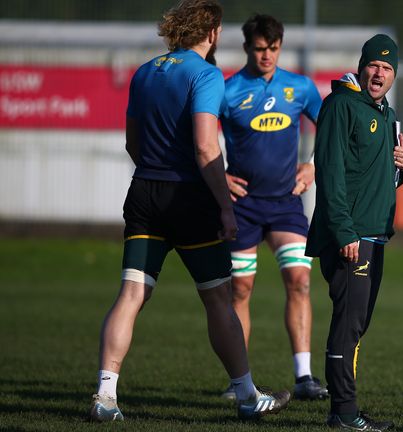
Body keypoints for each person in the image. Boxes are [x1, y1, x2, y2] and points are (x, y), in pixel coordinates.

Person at [88, 0, 290, 422]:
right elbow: (204, 146)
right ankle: (247, 396)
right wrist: (225, 206)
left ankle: (105, 396)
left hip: (144, 191)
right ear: (212, 32)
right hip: (188, 198)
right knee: (218, 299)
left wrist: (154, 170)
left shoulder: (144, 72)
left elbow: (132, 143)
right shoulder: (205, 74)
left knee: (130, 295)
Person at [306, 34, 403, 431]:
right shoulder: (339, 105)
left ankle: (342, 410)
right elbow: (329, 173)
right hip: (351, 237)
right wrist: (344, 231)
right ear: (361, 65)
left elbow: (381, 178)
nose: (379, 73)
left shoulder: (385, 113)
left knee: (356, 323)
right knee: (349, 323)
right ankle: (345, 413)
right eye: (374, 65)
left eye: (387, 68)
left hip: (375, 235)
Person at [218, 13, 327, 401]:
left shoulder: (299, 87)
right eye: (260, 49)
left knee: (299, 279)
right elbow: (198, 136)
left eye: (274, 49)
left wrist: (313, 166)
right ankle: (240, 384)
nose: (267, 56)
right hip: (242, 207)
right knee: (241, 290)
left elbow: (329, 127)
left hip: (285, 205)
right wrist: (219, 177)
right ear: (248, 48)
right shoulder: (227, 91)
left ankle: (304, 377)